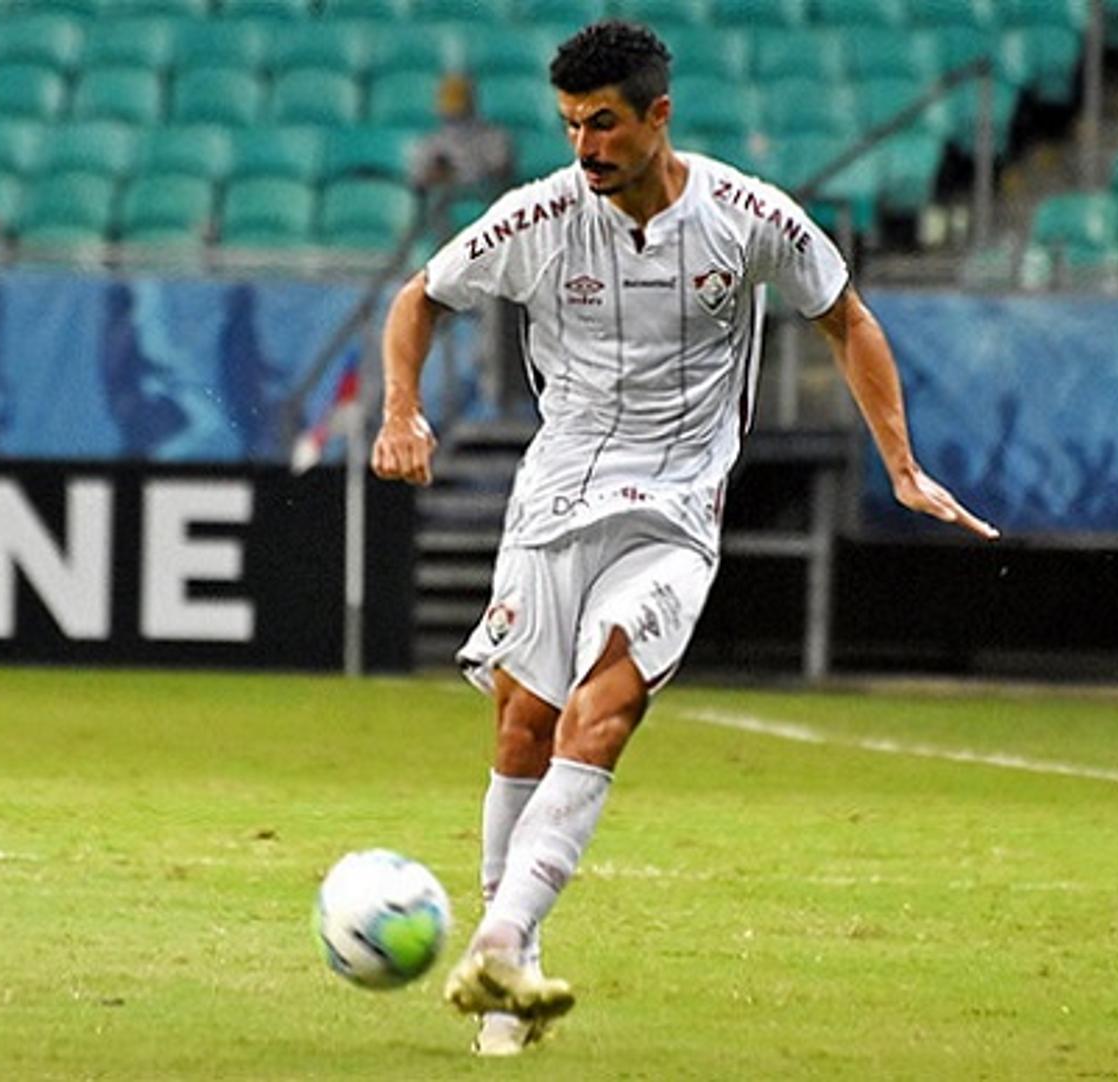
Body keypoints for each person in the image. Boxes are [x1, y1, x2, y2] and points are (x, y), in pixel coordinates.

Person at [370, 21, 998, 1058]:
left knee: (606, 699)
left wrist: (899, 461)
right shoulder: (537, 217)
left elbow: (846, 316)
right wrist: (402, 408)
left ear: (660, 116)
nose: (585, 147)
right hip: (551, 502)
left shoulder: (749, 217)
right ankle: (505, 972)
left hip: (671, 511)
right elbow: (417, 299)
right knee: (524, 726)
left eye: (605, 123)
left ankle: (500, 935)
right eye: (572, 125)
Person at [407, 72, 515, 206]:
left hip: (484, 207)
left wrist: (462, 172)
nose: (454, 117)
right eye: (450, 113)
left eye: (460, 112)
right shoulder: (432, 143)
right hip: (443, 211)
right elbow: (417, 181)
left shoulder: (493, 138)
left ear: (472, 106)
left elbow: (502, 173)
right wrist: (435, 174)